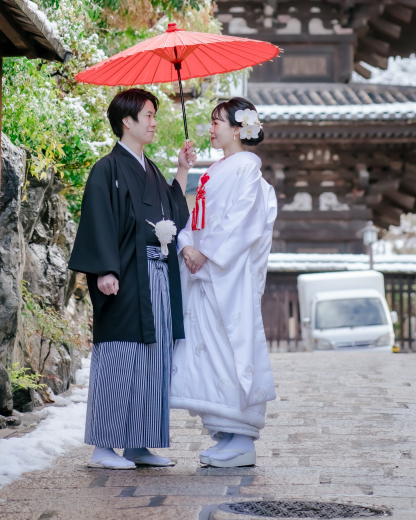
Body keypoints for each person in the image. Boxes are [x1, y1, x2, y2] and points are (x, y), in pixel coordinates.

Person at [68, 88, 196, 470]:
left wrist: (182, 171)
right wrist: (105, 269)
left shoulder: (151, 169)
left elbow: (173, 213)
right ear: (127, 121)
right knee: (119, 355)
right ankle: (104, 446)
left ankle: (140, 444)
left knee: (154, 358)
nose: (155, 122)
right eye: (149, 115)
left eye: (155, 115)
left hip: (157, 274)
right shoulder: (107, 169)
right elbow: (98, 220)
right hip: (124, 275)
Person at [170, 97, 277, 468]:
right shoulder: (218, 169)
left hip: (227, 276)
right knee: (211, 352)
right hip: (207, 273)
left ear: (237, 129)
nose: (211, 127)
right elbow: (197, 220)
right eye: (211, 121)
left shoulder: (247, 169)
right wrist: (186, 244)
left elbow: (241, 221)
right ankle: (226, 432)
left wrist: (206, 252)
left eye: (218, 122)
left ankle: (243, 438)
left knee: (230, 349)